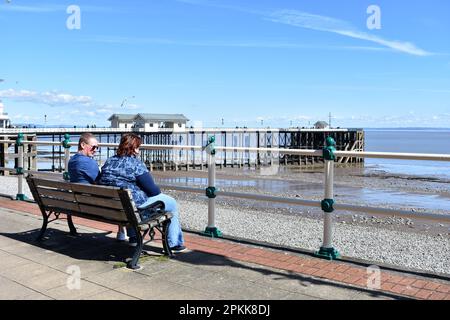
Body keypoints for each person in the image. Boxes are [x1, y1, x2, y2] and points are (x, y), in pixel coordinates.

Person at [98, 133, 186, 253]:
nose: (139, 150)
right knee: (171, 202)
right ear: (133, 148)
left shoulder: (109, 161)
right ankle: (174, 243)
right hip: (135, 211)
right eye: (138, 147)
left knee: (128, 202)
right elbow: (154, 191)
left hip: (113, 209)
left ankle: (134, 238)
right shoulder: (136, 164)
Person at [68, 132, 127, 241]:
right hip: (93, 205)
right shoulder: (89, 163)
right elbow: (101, 182)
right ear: (83, 145)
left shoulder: (72, 161)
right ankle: (124, 233)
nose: (96, 150)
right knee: (121, 199)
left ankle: (122, 232)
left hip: (78, 202)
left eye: (97, 148)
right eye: (93, 147)